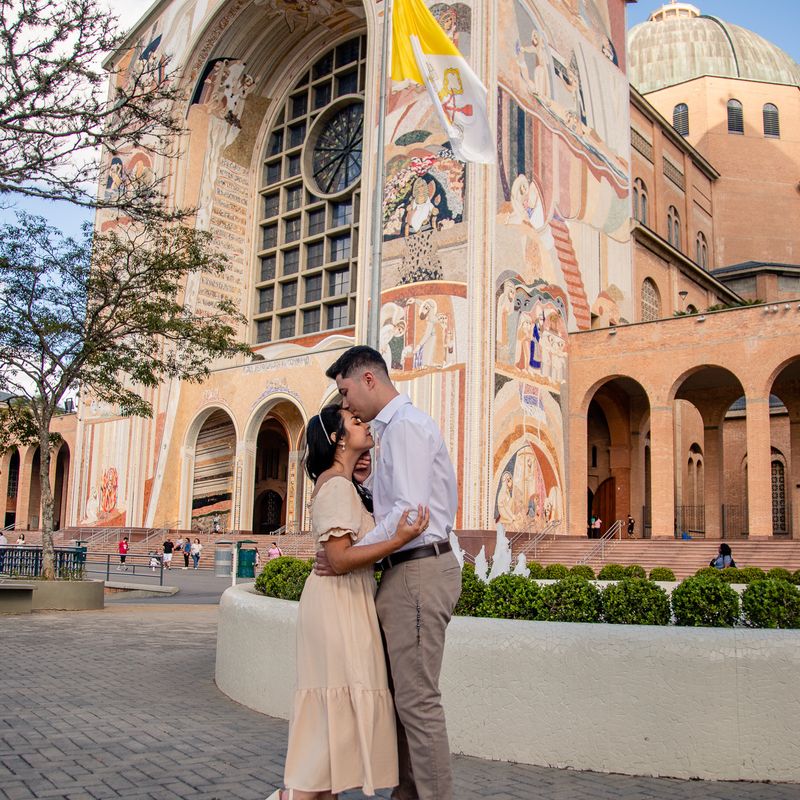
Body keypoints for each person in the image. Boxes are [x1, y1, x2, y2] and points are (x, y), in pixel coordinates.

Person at [318, 345, 462, 800]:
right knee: (404, 701)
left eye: (345, 393)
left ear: (368, 380)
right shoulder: (394, 431)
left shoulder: (405, 428)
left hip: (418, 569)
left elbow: (408, 514)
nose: (345, 406)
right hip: (405, 571)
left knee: (417, 703)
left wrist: (348, 552)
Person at [266, 401, 428, 800]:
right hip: (338, 606)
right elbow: (338, 559)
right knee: (329, 725)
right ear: (339, 440)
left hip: (346, 601)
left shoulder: (342, 483)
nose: (364, 424)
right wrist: (399, 540)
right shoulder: (337, 485)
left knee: (333, 731)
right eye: (355, 422)